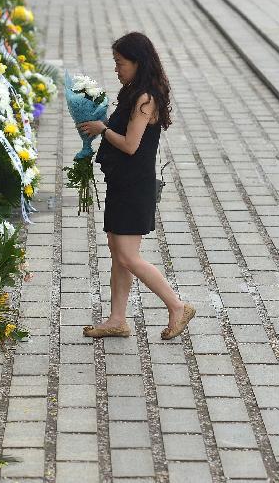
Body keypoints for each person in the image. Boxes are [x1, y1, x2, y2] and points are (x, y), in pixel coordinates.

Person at [78, 32, 196, 341]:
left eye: (120, 63)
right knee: (118, 251)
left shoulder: (145, 98)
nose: (116, 69)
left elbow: (131, 145)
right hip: (123, 181)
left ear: (137, 62)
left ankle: (177, 305)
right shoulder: (133, 90)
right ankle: (117, 319)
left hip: (134, 185)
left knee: (128, 256)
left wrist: (102, 129)